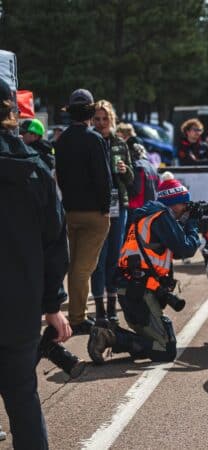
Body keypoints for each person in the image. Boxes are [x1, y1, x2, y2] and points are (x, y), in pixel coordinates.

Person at [0, 78, 70, 449]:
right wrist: (51, 304)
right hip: (20, 307)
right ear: (13, 113)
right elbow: (56, 242)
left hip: (21, 304)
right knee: (23, 399)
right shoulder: (37, 168)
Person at [87, 177, 201, 364]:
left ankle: (113, 336)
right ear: (173, 202)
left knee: (164, 343)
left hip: (135, 289)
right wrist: (193, 224)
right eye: (184, 204)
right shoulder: (160, 216)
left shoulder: (150, 215)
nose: (186, 209)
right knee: (165, 351)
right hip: (138, 292)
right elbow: (185, 249)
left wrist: (185, 222)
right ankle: (108, 335)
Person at [55, 89, 112, 335]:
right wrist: (105, 208)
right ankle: (77, 318)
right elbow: (104, 177)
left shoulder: (63, 140)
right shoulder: (94, 139)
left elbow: (61, 177)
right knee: (83, 268)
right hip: (93, 213)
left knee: (75, 266)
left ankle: (77, 314)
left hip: (70, 211)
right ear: (90, 112)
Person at [89, 100, 135, 327]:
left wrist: (125, 171)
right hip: (96, 208)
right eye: (96, 119)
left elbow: (131, 179)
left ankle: (111, 308)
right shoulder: (90, 142)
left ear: (112, 120)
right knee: (98, 258)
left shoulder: (120, 143)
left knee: (114, 259)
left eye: (104, 119)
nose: (100, 123)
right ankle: (98, 310)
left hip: (119, 206)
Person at [127, 142, 159, 211]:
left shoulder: (137, 166)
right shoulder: (153, 167)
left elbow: (136, 190)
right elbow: (158, 187)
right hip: (152, 206)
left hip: (138, 208)